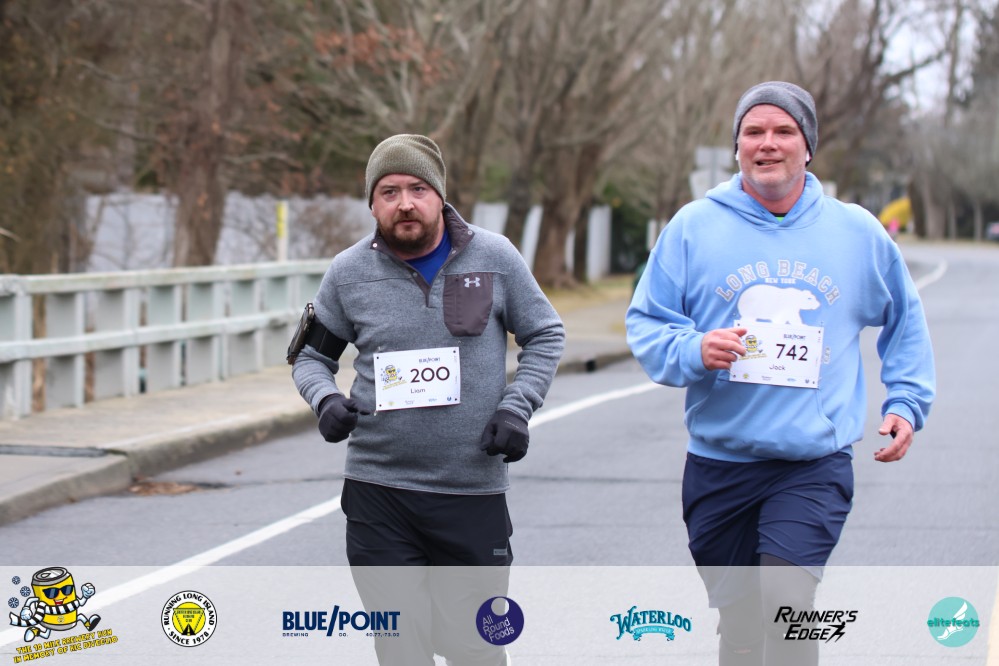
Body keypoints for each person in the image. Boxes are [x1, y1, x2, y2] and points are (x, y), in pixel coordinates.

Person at [625, 82, 935, 665]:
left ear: (808, 146)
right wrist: (694, 349)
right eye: (754, 132)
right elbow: (646, 323)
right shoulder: (693, 227)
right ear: (737, 146)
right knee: (743, 626)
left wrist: (906, 403)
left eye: (784, 131)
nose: (768, 143)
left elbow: (905, 318)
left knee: (789, 608)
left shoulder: (855, 232)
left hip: (811, 463)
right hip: (719, 465)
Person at [292, 133, 565, 665]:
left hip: (471, 490)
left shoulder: (495, 257)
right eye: (389, 192)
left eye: (418, 189)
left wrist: (517, 407)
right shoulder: (348, 272)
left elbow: (546, 333)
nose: (405, 203)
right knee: (400, 647)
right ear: (372, 203)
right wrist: (324, 400)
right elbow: (310, 358)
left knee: (474, 649)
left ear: (440, 195)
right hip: (379, 492)